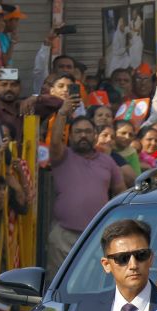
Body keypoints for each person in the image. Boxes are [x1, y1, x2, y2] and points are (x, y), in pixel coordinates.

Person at [46, 99, 125, 279]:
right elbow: (55, 141)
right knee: (60, 283)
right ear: (70, 136)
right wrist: (62, 114)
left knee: (92, 284)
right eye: (78, 132)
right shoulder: (62, 156)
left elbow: (120, 191)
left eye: (88, 132)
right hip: (63, 235)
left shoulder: (108, 161)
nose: (83, 135)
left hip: (97, 236)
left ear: (95, 135)